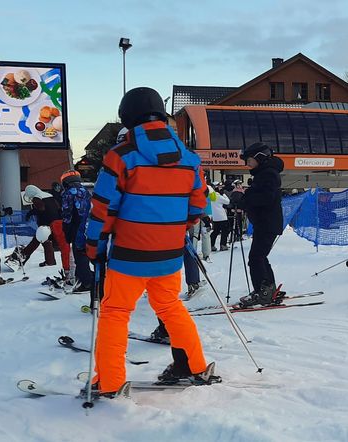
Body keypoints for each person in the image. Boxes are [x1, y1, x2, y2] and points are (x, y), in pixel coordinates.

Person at [85, 86, 213, 396]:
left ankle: (110, 382)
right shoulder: (190, 158)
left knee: (115, 312)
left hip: (129, 253)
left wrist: (94, 246)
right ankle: (194, 365)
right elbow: (199, 205)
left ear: (127, 117)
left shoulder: (122, 156)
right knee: (170, 305)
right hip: (169, 252)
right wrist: (177, 229)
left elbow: (103, 208)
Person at [236, 142, 284, 307]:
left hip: (267, 222)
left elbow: (266, 198)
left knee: (255, 258)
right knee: (260, 256)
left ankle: (262, 292)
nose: (247, 164)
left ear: (259, 158)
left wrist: (245, 200)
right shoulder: (264, 173)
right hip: (266, 222)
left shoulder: (268, 174)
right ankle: (268, 288)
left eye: (249, 160)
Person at [6, 185, 71, 275]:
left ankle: (24, 255)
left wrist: (30, 213)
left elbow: (40, 209)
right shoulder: (49, 195)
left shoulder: (37, 198)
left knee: (41, 240)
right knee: (41, 241)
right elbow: (58, 208)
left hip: (47, 223)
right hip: (58, 222)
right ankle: (46, 260)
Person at [59, 170, 94, 294]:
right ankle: (87, 277)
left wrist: (66, 230)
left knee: (79, 254)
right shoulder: (87, 192)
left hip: (76, 227)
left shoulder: (68, 193)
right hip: (91, 227)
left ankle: (87, 282)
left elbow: (67, 214)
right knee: (87, 252)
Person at [209, 183, 231, 251]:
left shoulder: (210, 196)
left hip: (215, 216)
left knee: (216, 231)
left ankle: (211, 245)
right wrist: (223, 194)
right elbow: (227, 201)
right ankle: (223, 245)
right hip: (222, 216)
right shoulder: (218, 196)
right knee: (225, 230)